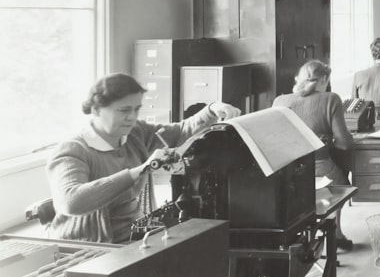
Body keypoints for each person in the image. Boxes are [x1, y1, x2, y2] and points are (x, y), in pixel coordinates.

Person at [46, 73, 242, 244]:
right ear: (96, 110)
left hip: (132, 237)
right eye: (123, 110)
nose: (132, 117)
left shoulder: (134, 133)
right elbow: (71, 202)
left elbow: (180, 130)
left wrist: (212, 109)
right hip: (89, 245)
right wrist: (141, 169)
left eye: (136, 109)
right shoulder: (72, 150)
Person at [275, 60, 355, 248]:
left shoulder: (280, 101)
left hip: (287, 174)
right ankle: (336, 233)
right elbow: (344, 144)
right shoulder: (331, 99)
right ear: (324, 79)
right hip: (320, 169)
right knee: (342, 181)